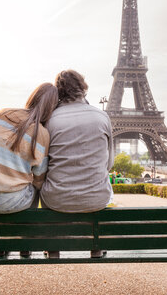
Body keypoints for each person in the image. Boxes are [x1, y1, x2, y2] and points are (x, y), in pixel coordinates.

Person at [40, 70, 114, 258]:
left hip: (57, 199)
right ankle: (96, 246)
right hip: (96, 199)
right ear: (83, 88)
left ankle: (53, 248)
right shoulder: (102, 117)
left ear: (59, 92)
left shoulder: (50, 120)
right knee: (99, 185)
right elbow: (109, 164)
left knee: (44, 188)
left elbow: (43, 165)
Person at [0, 82, 58, 215]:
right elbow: (40, 178)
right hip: (11, 202)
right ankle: (26, 233)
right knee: (35, 187)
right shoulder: (41, 133)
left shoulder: (3, 115)